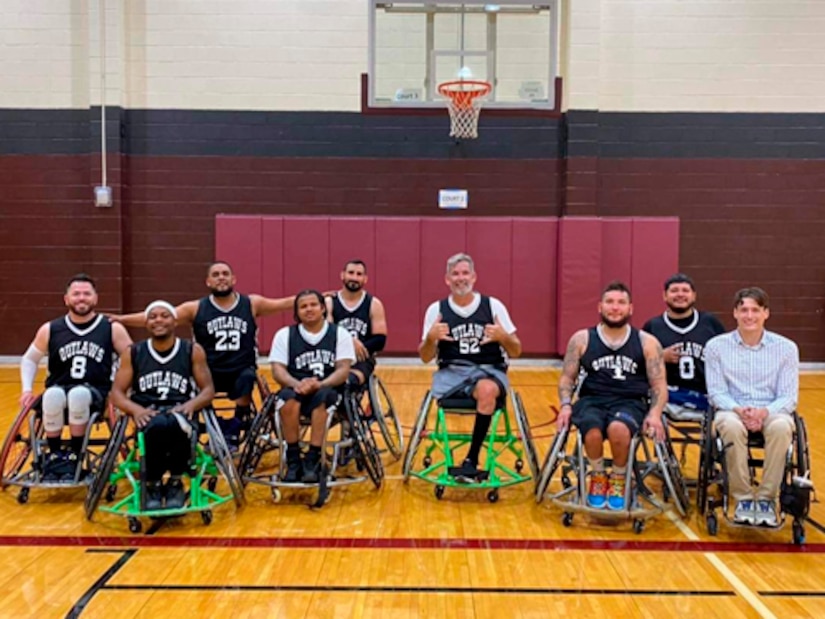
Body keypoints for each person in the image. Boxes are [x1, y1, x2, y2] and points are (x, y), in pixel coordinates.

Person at [111, 261, 293, 449]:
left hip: (240, 367)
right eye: (215, 275)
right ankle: (212, 424)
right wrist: (121, 319)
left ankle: (236, 424)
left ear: (233, 279)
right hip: (209, 368)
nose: (221, 277)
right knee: (198, 386)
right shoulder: (196, 308)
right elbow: (158, 317)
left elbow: (283, 303)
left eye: (225, 273)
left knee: (247, 377)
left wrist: (317, 299)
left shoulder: (251, 303)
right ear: (208, 282)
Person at [556, 281, 667, 511]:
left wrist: (655, 414)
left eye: (621, 303)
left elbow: (658, 384)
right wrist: (566, 405)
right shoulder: (581, 339)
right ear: (600, 307)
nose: (615, 308)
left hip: (630, 402)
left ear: (630, 308)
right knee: (592, 431)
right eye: (609, 302)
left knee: (618, 429)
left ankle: (618, 477)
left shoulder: (647, 342)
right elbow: (567, 378)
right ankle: (597, 476)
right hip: (591, 400)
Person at [419, 253, 522, 483]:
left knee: (486, 390)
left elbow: (516, 351)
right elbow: (425, 357)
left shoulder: (493, 306)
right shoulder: (436, 310)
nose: (460, 278)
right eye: (455, 274)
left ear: (474, 277)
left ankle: (471, 460)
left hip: (489, 371)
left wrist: (504, 336)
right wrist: (430, 339)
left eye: (465, 273)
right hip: (451, 373)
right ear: (447, 279)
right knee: (478, 388)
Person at [19, 274, 132, 481]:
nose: (82, 298)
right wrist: (26, 389)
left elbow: (131, 361)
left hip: (96, 393)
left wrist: (121, 391)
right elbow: (29, 360)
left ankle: (75, 454)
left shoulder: (111, 328)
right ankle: (55, 455)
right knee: (52, 394)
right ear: (66, 299)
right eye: (76, 294)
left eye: (87, 294)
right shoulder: (50, 329)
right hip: (59, 389)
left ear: (95, 298)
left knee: (79, 394)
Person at [705, 287, 799, 527]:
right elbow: (716, 392)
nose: (749, 316)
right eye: (744, 309)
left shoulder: (786, 348)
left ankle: (767, 498)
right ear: (734, 313)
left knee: (782, 428)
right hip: (732, 410)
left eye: (755, 310)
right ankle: (744, 497)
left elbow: (788, 397)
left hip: (771, 410)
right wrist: (739, 410)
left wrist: (764, 412)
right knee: (729, 426)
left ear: (766, 313)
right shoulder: (716, 346)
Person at [110, 301, 215, 510]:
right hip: (147, 410)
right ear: (146, 323)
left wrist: (193, 404)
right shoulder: (133, 353)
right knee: (157, 425)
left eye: (165, 316)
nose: (159, 320)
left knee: (175, 424)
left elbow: (208, 390)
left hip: (180, 408)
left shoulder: (192, 350)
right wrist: (136, 410)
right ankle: (153, 483)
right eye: (153, 317)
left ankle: (175, 481)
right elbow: (117, 393)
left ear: (175, 321)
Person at [268, 290, 355, 483]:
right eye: (303, 306)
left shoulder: (340, 333)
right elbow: (278, 370)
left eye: (313, 305)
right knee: (286, 400)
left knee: (322, 398)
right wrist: (297, 384)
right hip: (296, 386)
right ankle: (293, 459)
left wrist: (320, 383)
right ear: (297, 312)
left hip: (327, 386)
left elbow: (343, 370)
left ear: (323, 308)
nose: (309, 309)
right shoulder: (284, 335)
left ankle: (313, 458)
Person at [642, 273, 725, 415]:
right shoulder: (653, 326)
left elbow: (727, 358)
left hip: (704, 395)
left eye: (685, 291)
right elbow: (637, 362)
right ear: (664, 296)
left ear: (694, 295)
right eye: (674, 291)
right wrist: (660, 356)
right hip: (667, 398)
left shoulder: (710, 323)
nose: (680, 294)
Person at [327, 259, 388, 390]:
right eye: (351, 273)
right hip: (333, 359)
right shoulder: (330, 302)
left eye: (359, 274)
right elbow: (327, 334)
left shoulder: (373, 304)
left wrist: (356, 350)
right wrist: (349, 343)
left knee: (347, 381)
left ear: (365, 279)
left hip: (361, 360)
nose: (354, 278)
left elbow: (380, 341)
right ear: (342, 275)